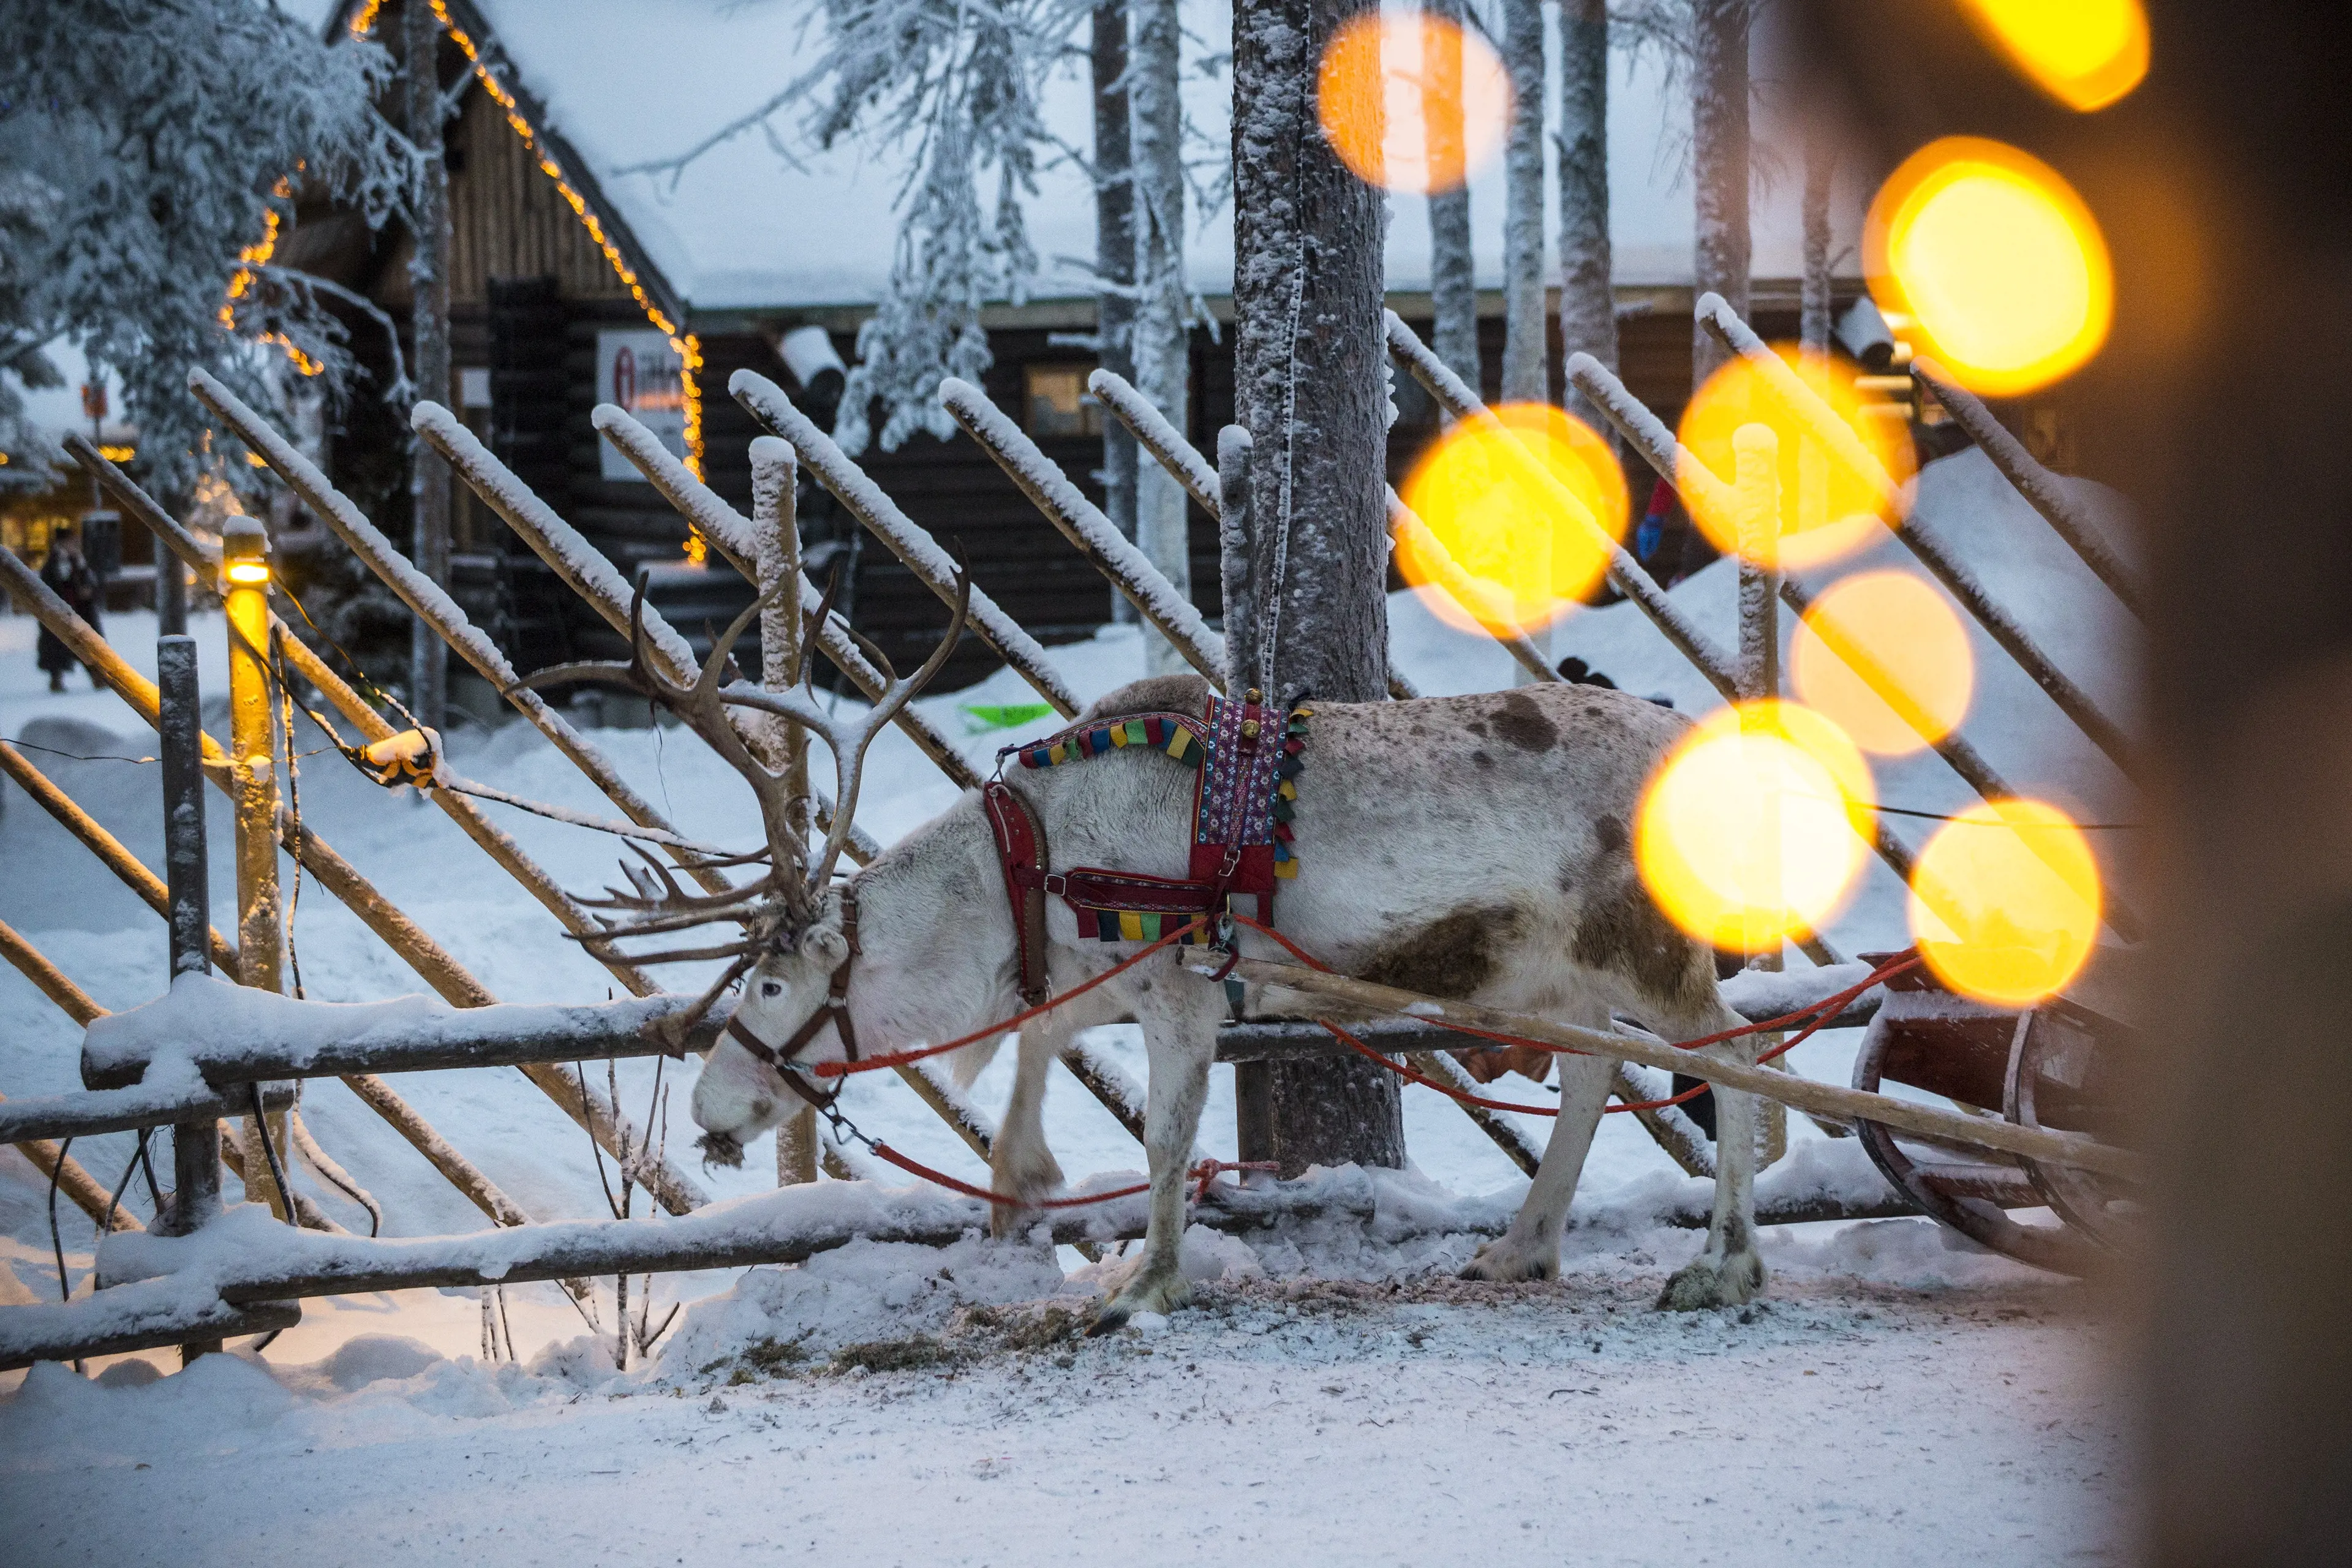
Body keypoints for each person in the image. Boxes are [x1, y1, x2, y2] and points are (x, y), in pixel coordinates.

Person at [36, 524, 103, 692]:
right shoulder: (55, 563)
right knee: (59, 649)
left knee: (87, 646)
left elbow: (89, 581)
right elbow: (52, 586)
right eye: (71, 542)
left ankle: (97, 677)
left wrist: (88, 592)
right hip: (61, 612)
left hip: (80, 612)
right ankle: (56, 680)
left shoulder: (79, 562)